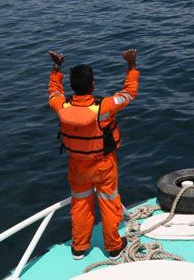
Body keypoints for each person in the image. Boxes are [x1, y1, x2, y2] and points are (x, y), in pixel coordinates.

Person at [47, 48, 139, 260]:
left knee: (80, 204)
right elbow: (129, 93)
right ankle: (114, 247)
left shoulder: (61, 106)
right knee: (109, 203)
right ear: (93, 85)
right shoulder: (104, 108)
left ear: (72, 85)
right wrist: (131, 65)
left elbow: (53, 91)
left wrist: (56, 69)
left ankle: (79, 247)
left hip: (77, 166)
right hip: (103, 165)